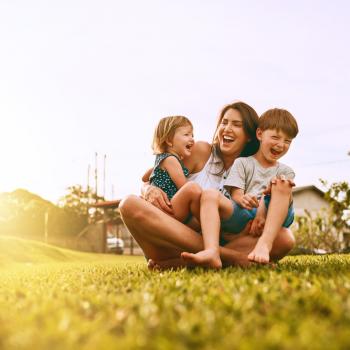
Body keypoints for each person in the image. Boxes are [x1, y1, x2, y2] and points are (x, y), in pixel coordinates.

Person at [119, 102, 296, 269]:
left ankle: (183, 261)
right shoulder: (202, 151)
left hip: (225, 240)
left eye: (236, 124)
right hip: (171, 237)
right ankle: (231, 257)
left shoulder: (254, 168)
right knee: (128, 204)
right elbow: (157, 172)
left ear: (250, 135)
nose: (227, 128)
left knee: (285, 238)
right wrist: (149, 189)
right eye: (224, 122)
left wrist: (261, 217)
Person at [182, 108, 298, 268]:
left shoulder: (286, 171)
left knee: (282, 184)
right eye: (276, 137)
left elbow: (277, 197)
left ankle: (264, 244)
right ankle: (212, 251)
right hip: (245, 212)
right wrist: (241, 198)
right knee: (209, 194)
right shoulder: (242, 163)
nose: (280, 145)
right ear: (259, 135)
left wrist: (262, 212)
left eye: (287, 141)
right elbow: (236, 192)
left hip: (274, 215)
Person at [144, 115, 201, 224]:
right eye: (186, 134)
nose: (192, 139)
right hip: (168, 208)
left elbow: (144, 178)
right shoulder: (171, 160)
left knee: (195, 224)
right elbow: (183, 187)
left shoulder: (161, 159)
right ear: (169, 141)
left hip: (162, 208)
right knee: (193, 189)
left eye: (192, 135)